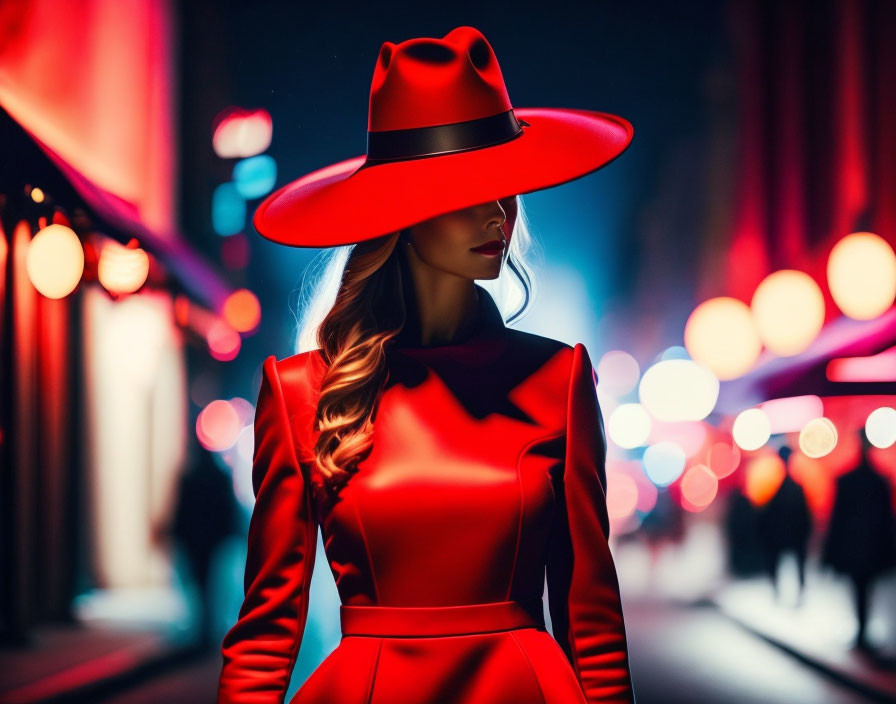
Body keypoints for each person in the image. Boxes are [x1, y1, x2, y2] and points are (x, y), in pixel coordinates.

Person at [218, 26, 636, 703]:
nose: (499, 214)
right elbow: (266, 633)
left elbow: (591, 617)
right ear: (403, 209)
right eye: (470, 189)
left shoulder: (559, 381)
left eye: (507, 187)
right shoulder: (299, 392)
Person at [821, 432, 896, 652]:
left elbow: (838, 519)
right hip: (871, 548)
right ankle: (863, 631)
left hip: (856, 548)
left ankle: (862, 631)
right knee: (865, 588)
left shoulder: (848, 480)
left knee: (860, 588)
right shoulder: (879, 480)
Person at [755, 445, 812, 604]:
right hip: (789, 534)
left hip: (784, 534)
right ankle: (790, 591)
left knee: (784, 564)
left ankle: (785, 591)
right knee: (795, 564)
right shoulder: (788, 486)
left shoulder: (777, 486)